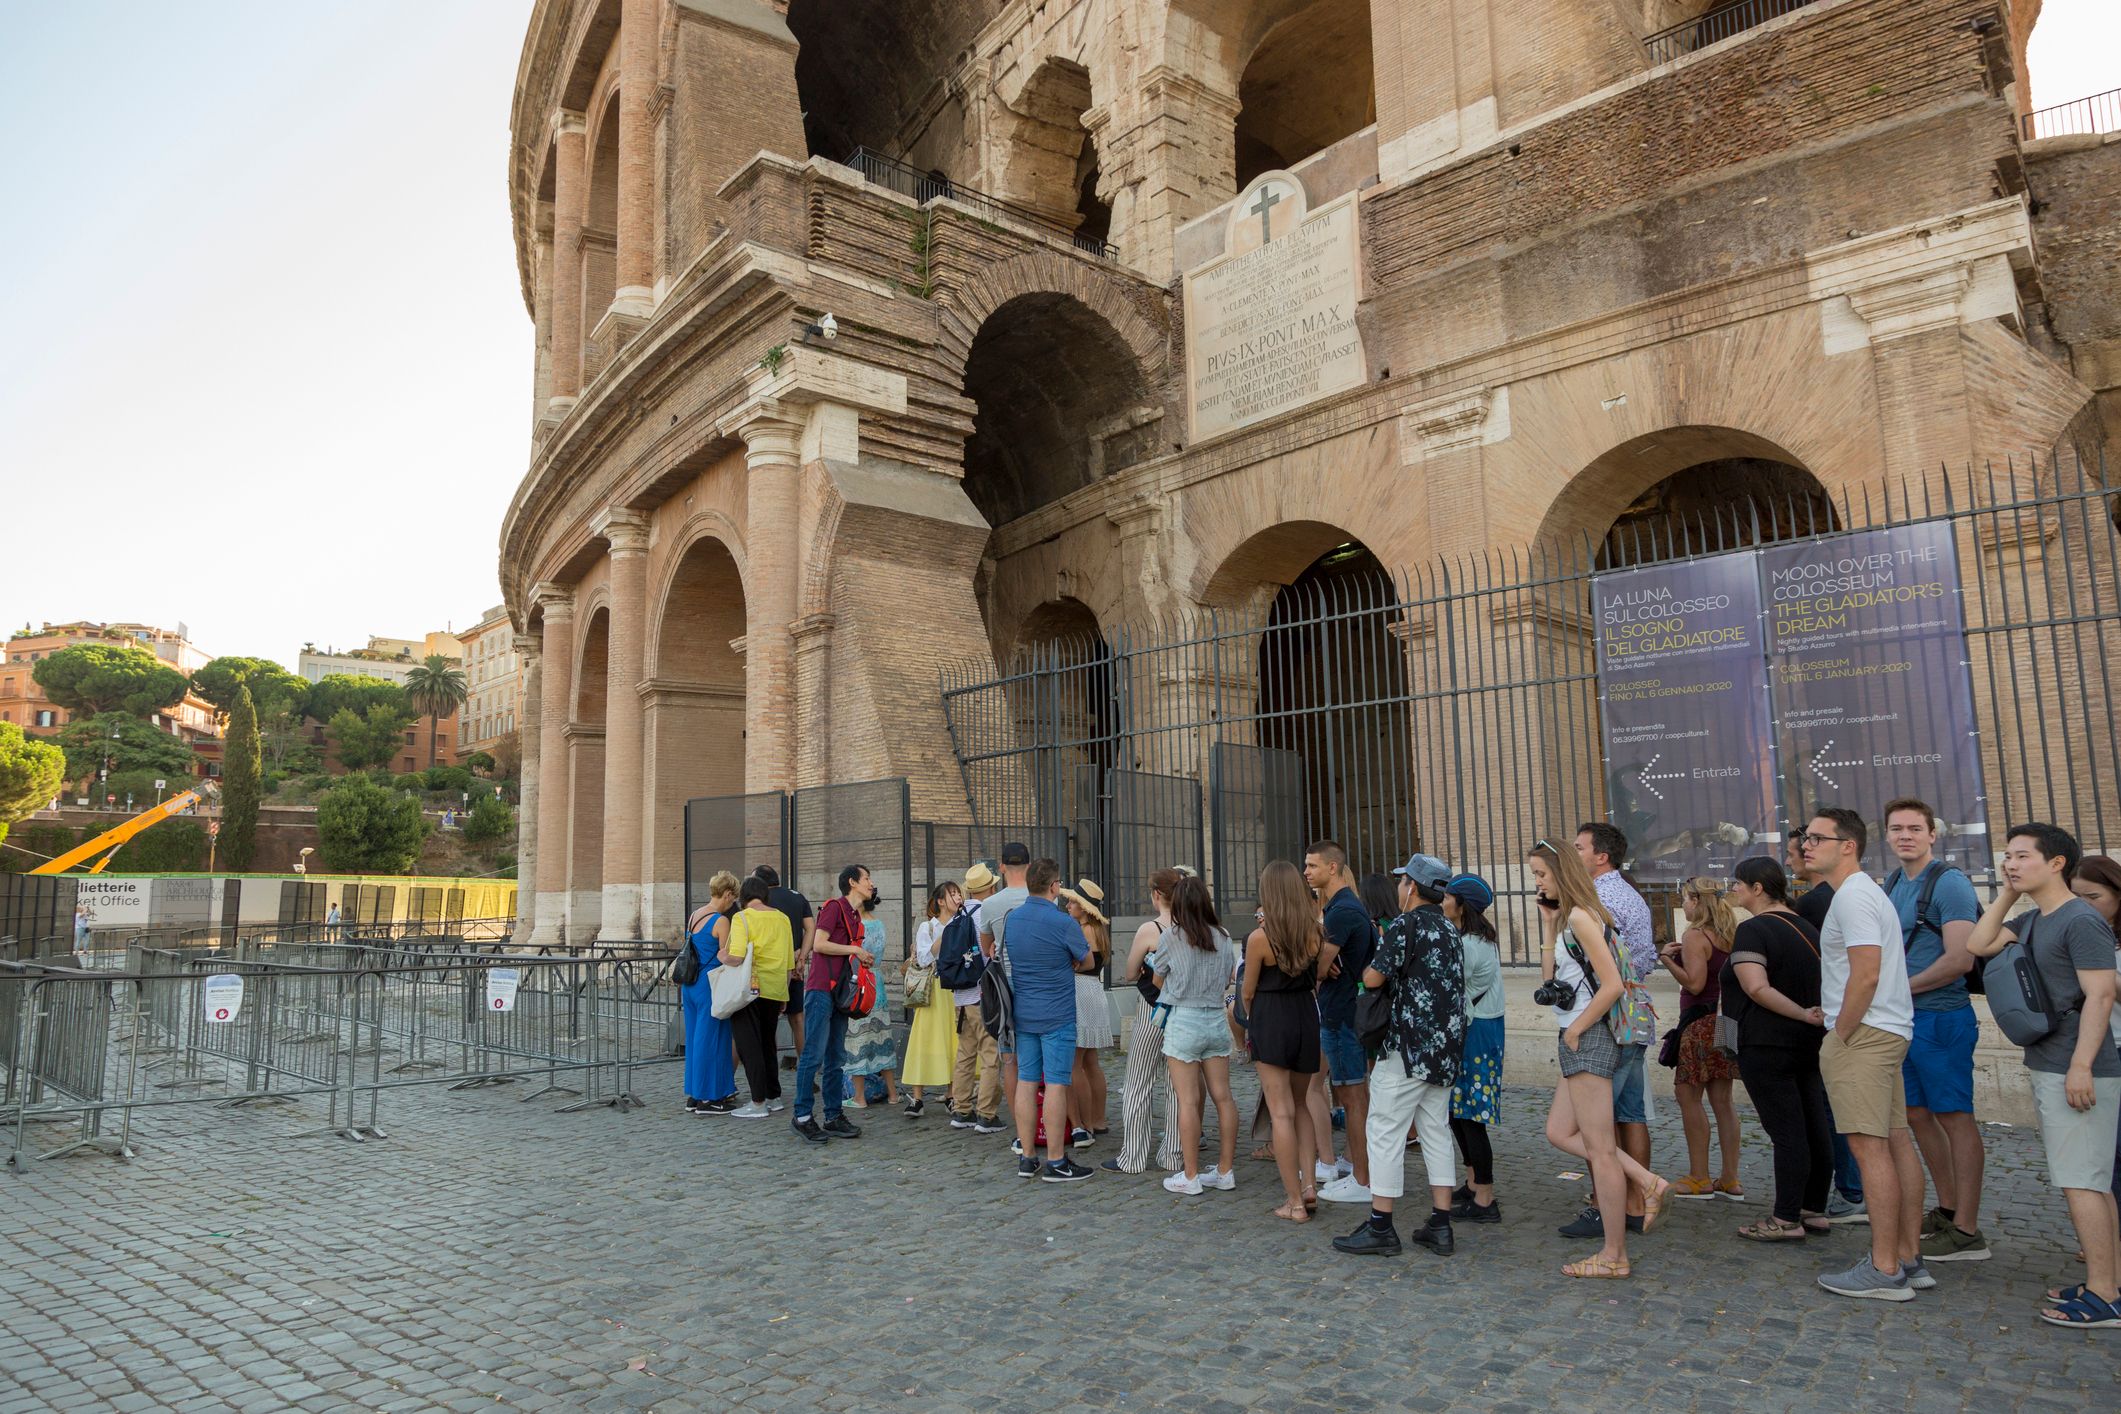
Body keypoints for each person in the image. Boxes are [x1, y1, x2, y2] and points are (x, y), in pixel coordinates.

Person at [1966, 823, 2121, 1329]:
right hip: (2051, 1061)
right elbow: (1979, 941)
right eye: (2007, 857)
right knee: (2089, 1180)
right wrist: (2008, 893)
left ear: (2056, 863)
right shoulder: (2034, 919)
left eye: (2021, 856)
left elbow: (2100, 994)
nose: (2009, 863)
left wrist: (2080, 1066)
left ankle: (2104, 1296)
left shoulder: (2080, 920)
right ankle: (2108, 1283)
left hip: (2079, 1068)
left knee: (2082, 1181)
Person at [1804, 807, 1926, 1301]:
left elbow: (1866, 973)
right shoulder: (1863, 894)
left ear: (1847, 845)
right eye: (1804, 837)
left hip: (1866, 1035)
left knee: (1870, 1147)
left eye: (1816, 837)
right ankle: (1907, 1257)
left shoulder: (1853, 897)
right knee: (1896, 1141)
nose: (1806, 845)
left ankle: (1884, 1268)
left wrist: (1842, 1032)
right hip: (1887, 1030)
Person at [1534, 838, 1668, 1278]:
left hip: (1588, 1037)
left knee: (1601, 1151)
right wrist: (1548, 926)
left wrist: (1575, 1028)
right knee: (1559, 1131)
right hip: (1578, 1035)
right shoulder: (1570, 917)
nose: (1537, 882)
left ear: (1561, 872)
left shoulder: (1582, 917)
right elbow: (1550, 983)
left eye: (1541, 874)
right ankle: (1647, 1181)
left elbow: (1610, 985)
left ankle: (1614, 1255)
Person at [1334, 855, 1467, 1257]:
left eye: (1403, 880)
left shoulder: (1407, 925)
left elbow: (1374, 976)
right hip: (1444, 1047)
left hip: (1407, 1046)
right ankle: (1440, 1224)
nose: (1399, 886)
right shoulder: (1449, 927)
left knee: (1385, 1131)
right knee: (1435, 1132)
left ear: (1413, 886)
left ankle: (1381, 1224)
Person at [1881, 798, 1990, 1264]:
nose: (1905, 835)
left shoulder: (1951, 884)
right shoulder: (1891, 883)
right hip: (1905, 1019)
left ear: (1932, 834)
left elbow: (1960, 959)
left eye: (1914, 828)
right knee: (1919, 1116)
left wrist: (1900, 989)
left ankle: (1967, 1229)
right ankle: (1947, 1209)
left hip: (1941, 1016)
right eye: (1896, 828)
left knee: (1954, 1116)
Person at [1727, 856, 1831, 1240]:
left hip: (1768, 1041)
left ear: (1757, 888)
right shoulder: (1806, 927)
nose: (1734, 889)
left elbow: (1755, 988)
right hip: (1806, 1043)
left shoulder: (1754, 929)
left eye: (1739, 883)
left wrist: (1803, 1014)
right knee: (1812, 1124)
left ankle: (1786, 1217)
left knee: (1787, 1130)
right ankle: (1812, 1208)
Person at [1572, 821, 1655, 1236]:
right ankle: (1637, 1203)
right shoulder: (1631, 894)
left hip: (1610, 1017)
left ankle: (1608, 1204)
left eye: (1579, 847)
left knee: (1597, 1121)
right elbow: (1646, 955)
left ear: (1600, 856)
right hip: (1636, 1013)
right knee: (1631, 1113)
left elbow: (1603, 967)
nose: (1574, 853)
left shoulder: (1598, 898)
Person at [1244, 861, 1329, 1222]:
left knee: (1281, 1111)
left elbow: (1246, 991)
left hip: (1271, 1016)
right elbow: (1318, 980)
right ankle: (1309, 1186)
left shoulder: (1260, 938)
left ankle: (1293, 1202)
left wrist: (1251, 1021)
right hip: (1305, 1016)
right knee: (1302, 1104)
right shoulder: (1316, 933)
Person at [1003, 858, 1094, 1182]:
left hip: (1024, 1012)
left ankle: (1027, 1157)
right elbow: (1088, 960)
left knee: (1027, 1082)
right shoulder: (1063, 922)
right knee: (1056, 1082)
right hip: (1057, 1013)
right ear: (1054, 886)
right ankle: (1056, 1160)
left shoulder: (1012, 920)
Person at [1789, 834, 1863, 1222]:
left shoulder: (1819, 901)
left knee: (1835, 1112)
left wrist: (1839, 1031)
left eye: (1797, 851)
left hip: (1834, 1019)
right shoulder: (1843, 896)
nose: (1796, 859)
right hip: (1837, 1016)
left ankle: (1850, 1191)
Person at [1155, 874, 1241, 1196]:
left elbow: (1158, 979)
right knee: (1224, 1097)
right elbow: (1227, 980)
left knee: (1188, 1101)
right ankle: (1225, 1170)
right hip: (1215, 1019)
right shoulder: (1222, 935)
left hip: (1184, 1021)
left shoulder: (1171, 937)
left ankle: (1190, 1175)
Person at [1659, 877, 1744, 1199]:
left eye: (1684, 899)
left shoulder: (1695, 935)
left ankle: (1699, 1176)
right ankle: (1730, 1177)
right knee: (1723, 1100)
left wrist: (1666, 960)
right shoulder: (1730, 933)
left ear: (1696, 900)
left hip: (1699, 1022)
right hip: (1727, 1021)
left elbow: (1694, 984)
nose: (1683, 905)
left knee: (1687, 1096)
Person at [1104, 867, 1185, 1175]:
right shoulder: (1194, 925)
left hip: (1152, 1009)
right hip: (1184, 1013)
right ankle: (1172, 1155)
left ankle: (1133, 1157)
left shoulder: (1150, 929)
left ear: (1156, 895)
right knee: (1178, 1086)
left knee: (1138, 1082)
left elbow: (1129, 971)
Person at [1308, 842, 1376, 1206]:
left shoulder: (1342, 911)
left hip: (1342, 1013)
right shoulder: (1341, 908)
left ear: (1333, 867)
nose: (1306, 871)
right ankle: (1358, 1168)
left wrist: (1319, 959)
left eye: (1312, 865)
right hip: (1343, 1009)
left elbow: (1319, 967)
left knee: (1352, 1097)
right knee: (1353, 1095)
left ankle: (1362, 1178)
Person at [791, 864, 876, 1144]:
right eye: (867, 879)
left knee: (836, 1058)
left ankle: (832, 1115)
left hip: (841, 994)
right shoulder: (833, 908)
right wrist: (854, 949)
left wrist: (861, 957)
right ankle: (802, 1116)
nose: (871, 883)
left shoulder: (856, 917)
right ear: (852, 882)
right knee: (813, 1055)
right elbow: (819, 944)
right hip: (820, 990)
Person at [1443, 873, 1504, 1223]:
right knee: (1459, 1113)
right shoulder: (1475, 937)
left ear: (1461, 905)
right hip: (1480, 1026)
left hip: (1476, 1031)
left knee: (1471, 1117)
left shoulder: (1468, 944)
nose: (1443, 901)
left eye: (1448, 896)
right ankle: (1472, 1181)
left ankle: (1485, 1197)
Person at [2072, 855, 2121, 1210]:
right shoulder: (2077, 931)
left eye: (2093, 898)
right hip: (2092, 1050)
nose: (2085, 906)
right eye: (2078, 898)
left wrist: (2096, 971)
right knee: (2101, 1152)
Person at [721, 875, 793, 1118]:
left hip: (750, 990)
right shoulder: (782, 918)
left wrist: (722, 956)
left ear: (743, 896)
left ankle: (758, 1101)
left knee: (748, 1045)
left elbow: (738, 956)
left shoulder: (742, 918)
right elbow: (789, 961)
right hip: (775, 987)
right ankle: (774, 1096)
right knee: (767, 1044)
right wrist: (784, 993)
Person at [948, 863, 1007, 1134]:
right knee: (990, 1054)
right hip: (982, 996)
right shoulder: (986, 913)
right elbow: (991, 952)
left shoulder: (956, 916)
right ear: (991, 887)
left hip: (960, 997)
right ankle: (986, 1113)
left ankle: (961, 1109)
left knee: (964, 1054)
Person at [900, 881, 962, 1117]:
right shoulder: (928, 927)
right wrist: (948, 931)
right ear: (940, 901)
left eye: (959, 894)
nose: (957, 898)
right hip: (931, 989)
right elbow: (925, 958)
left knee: (953, 1039)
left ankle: (952, 1094)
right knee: (923, 1039)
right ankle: (917, 1098)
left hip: (954, 989)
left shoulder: (963, 923)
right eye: (952, 894)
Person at [681, 873, 740, 1115]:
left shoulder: (695, 915)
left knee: (696, 1039)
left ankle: (695, 1095)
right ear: (727, 894)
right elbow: (723, 956)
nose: (732, 903)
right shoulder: (720, 921)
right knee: (712, 1039)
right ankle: (709, 1098)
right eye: (733, 898)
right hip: (709, 984)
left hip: (690, 983)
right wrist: (744, 959)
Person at [981, 842, 1033, 1113]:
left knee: (1010, 1059)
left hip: (1005, 988)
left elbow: (986, 947)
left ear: (1001, 867)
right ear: (1030, 865)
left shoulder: (990, 904)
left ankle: (1019, 1126)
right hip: (1037, 984)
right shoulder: (1047, 898)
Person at [1062, 880, 1114, 1146]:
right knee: (1091, 1062)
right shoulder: (1099, 930)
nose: (1068, 905)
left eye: (1072, 902)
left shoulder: (1081, 930)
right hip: (1094, 991)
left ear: (1083, 908)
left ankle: (1082, 1122)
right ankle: (1099, 1119)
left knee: (1075, 1064)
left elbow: (1075, 964)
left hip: (1079, 992)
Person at [755, 865, 815, 1070]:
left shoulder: (760, 901)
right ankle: (806, 1071)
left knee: (766, 1022)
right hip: (795, 967)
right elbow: (810, 928)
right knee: (798, 1019)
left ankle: (765, 1071)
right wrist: (802, 957)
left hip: (770, 969)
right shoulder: (798, 896)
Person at [842, 891, 898, 1108]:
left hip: (859, 985)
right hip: (877, 983)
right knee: (882, 1039)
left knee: (857, 1041)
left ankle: (859, 1097)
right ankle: (893, 1094)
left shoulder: (855, 926)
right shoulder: (880, 924)